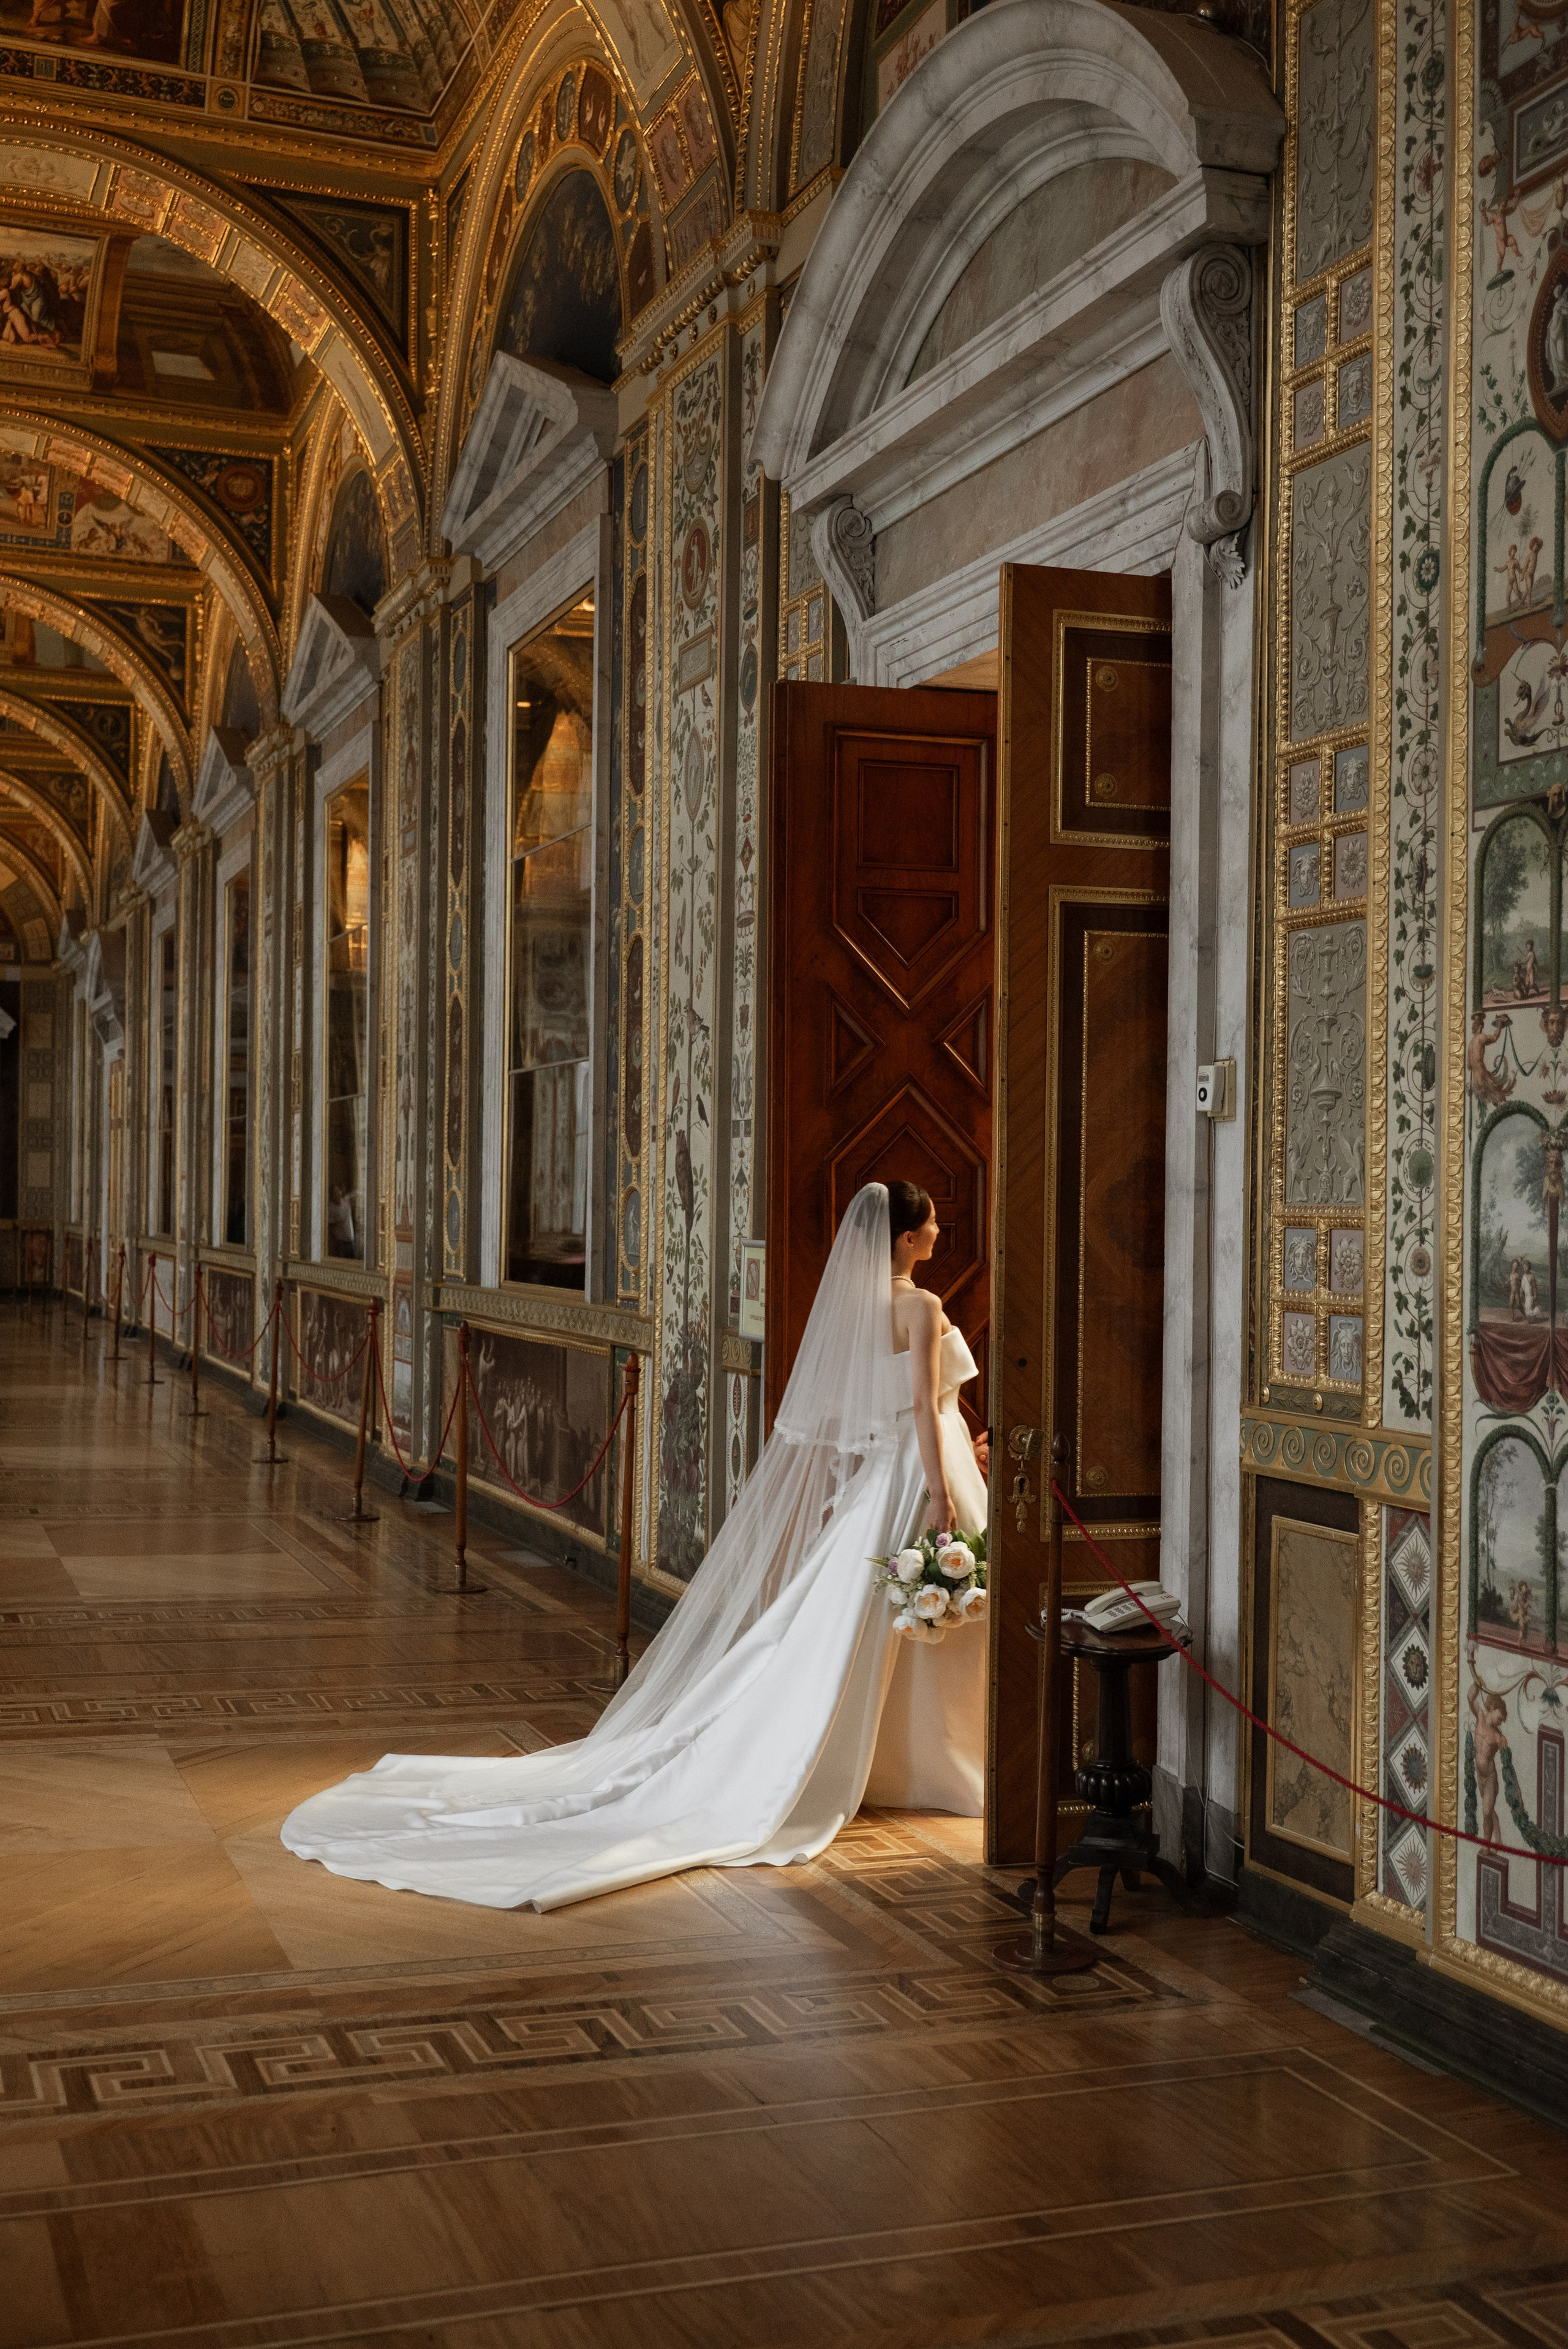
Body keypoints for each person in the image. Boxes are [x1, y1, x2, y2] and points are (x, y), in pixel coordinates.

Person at [281, 1181, 992, 1909]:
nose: (942, 1227)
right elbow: (919, 1411)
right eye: (934, 1221)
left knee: (853, 1621)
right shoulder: (921, 1306)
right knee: (891, 1620)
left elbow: (862, 1415)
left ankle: (889, 1760)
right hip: (915, 1473)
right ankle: (925, 1762)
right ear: (906, 1239)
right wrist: (938, 1495)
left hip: (885, 1474)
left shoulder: (850, 1311)